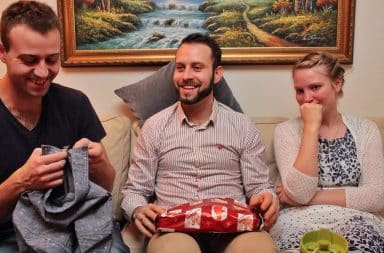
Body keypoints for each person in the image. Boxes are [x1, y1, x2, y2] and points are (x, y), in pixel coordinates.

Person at [121, 33, 279, 253]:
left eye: (197, 67)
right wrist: (138, 209)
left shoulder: (242, 126)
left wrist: (268, 198)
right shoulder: (154, 127)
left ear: (216, 74)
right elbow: (135, 190)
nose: (186, 76)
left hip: (233, 229)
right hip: (175, 230)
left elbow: (259, 187)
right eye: (180, 67)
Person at [0, 1, 129, 252]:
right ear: (2, 52)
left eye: (51, 59)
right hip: (10, 234)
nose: (42, 71)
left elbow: (105, 187)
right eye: (29, 60)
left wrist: (100, 162)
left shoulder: (75, 103)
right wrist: (21, 181)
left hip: (78, 223)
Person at [270, 52, 384, 252]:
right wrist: (311, 128)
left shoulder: (366, 130)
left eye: (315, 87)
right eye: (299, 90)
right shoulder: (285, 131)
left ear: (337, 83)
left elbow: (375, 196)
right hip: (298, 222)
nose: (306, 98)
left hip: (356, 220)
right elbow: (300, 191)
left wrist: (308, 198)